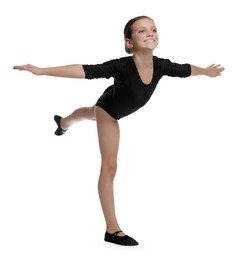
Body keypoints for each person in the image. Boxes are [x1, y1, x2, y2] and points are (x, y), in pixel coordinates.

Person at [13, 15, 225, 246]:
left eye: (153, 29)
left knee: (88, 112)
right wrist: (42, 70)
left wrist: (205, 71)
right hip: (111, 111)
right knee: (110, 164)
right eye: (141, 31)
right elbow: (85, 70)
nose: (150, 33)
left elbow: (185, 69)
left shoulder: (162, 65)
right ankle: (112, 230)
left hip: (110, 98)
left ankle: (63, 122)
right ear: (129, 42)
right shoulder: (122, 66)